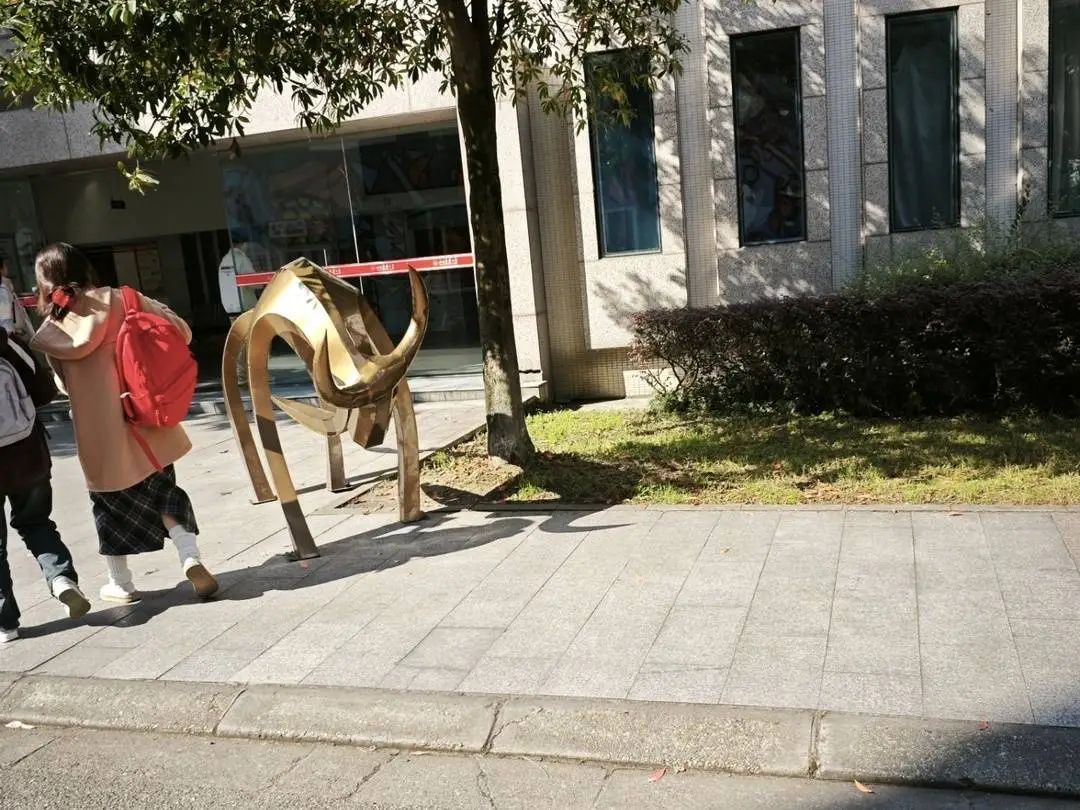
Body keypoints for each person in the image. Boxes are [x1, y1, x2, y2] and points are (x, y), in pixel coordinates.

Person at [30, 243, 218, 603]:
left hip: (99, 433)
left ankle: (121, 583)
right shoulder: (124, 299)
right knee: (165, 493)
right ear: (85, 269)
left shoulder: (54, 331)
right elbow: (181, 331)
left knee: (109, 505)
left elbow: (63, 385)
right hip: (147, 415)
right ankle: (189, 556)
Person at [0, 326, 91, 642]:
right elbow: (43, 392)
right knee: (36, 522)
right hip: (26, 455)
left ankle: (5, 622)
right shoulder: (6, 342)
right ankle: (62, 579)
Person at [0, 253, 34, 342]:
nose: (7, 268)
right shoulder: (3, 288)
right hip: (12, 335)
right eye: (5, 265)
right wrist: (13, 333)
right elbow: (6, 316)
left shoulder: (6, 286)